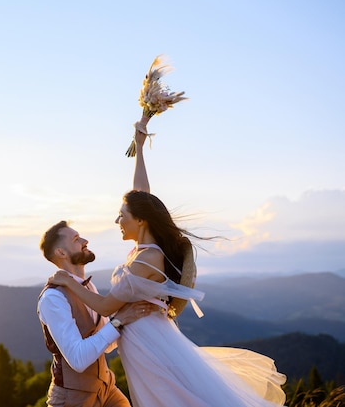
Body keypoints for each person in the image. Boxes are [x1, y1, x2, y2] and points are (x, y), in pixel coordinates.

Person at [47, 122, 287, 407]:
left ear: (140, 220)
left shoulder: (146, 258)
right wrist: (139, 149)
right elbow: (142, 194)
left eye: (121, 215)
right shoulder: (145, 249)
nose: (117, 221)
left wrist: (67, 282)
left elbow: (105, 307)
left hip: (149, 344)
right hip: (144, 337)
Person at [38, 220, 155, 407]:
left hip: (106, 387)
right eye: (77, 239)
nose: (85, 240)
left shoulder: (88, 287)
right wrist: (118, 321)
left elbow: (107, 345)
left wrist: (140, 315)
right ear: (61, 253)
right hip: (73, 398)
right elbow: (78, 359)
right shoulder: (53, 298)